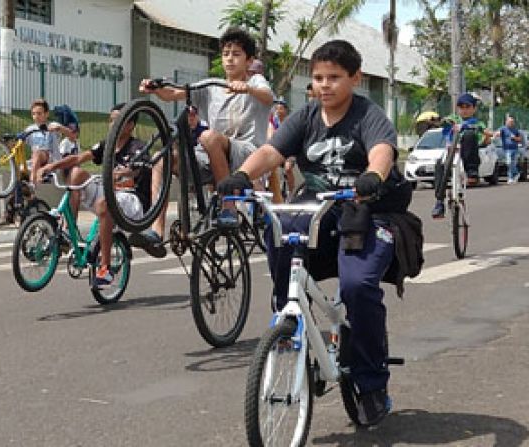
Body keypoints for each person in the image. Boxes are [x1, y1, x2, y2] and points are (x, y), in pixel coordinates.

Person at [217, 39, 417, 426]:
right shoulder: (306, 116)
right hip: (319, 209)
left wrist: (373, 176)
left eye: (335, 78)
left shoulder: (368, 115)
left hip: (366, 211)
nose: (325, 86)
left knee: (358, 287)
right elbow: (272, 152)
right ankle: (289, 316)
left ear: (355, 78)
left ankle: (372, 382)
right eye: (319, 78)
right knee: (281, 223)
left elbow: (381, 151)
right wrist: (241, 175)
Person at [134, 26, 274, 256]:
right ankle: (156, 232)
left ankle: (228, 208)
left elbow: (268, 96)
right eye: (226, 53)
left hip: (247, 156)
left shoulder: (257, 81)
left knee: (208, 136)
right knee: (162, 160)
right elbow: (174, 94)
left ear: (249, 61)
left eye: (236, 54)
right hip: (212, 155)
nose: (230, 58)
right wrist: (155, 89)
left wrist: (247, 88)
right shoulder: (211, 86)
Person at [38, 103, 154, 286]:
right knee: (76, 173)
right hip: (109, 192)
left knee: (104, 203)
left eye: (118, 120)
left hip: (132, 200)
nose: (112, 125)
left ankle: (105, 268)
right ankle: (69, 232)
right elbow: (78, 158)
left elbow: (137, 171)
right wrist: (51, 166)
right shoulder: (106, 144)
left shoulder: (137, 147)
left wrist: (124, 173)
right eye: (111, 120)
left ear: (130, 125)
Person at [430, 93, 492, 219]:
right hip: (452, 151)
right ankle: (439, 203)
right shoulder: (453, 119)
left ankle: (472, 173)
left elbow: (485, 132)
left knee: (469, 135)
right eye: (461, 107)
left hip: (468, 152)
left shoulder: (477, 123)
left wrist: (485, 133)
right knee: (439, 165)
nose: (464, 110)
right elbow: (444, 122)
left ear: (474, 109)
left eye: (467, 107)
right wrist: (438, 121)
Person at [26, 99, 70, 184]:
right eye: (33, 114)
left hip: (51, 159)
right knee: (21, 164)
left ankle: (32, 181)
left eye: (39, 113)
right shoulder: (30, 129)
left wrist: (60, 128)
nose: (36, 116)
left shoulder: (52, 125)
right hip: (35, 160)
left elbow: (70, 134)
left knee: (37, 153)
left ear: (46, 114)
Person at [495, 115, 523, 184]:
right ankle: (514, 174)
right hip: (507, 149)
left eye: (512, 122)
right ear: (506, 122)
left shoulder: (515, 130)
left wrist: (515, 138)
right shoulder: (503, 129)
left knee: (512, 164)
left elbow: (520, 139)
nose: (511, 123)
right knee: (509, 163)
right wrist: (496, 134)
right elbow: (498, 133)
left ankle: (511, 177)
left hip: (515, 149)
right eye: (510, 121)